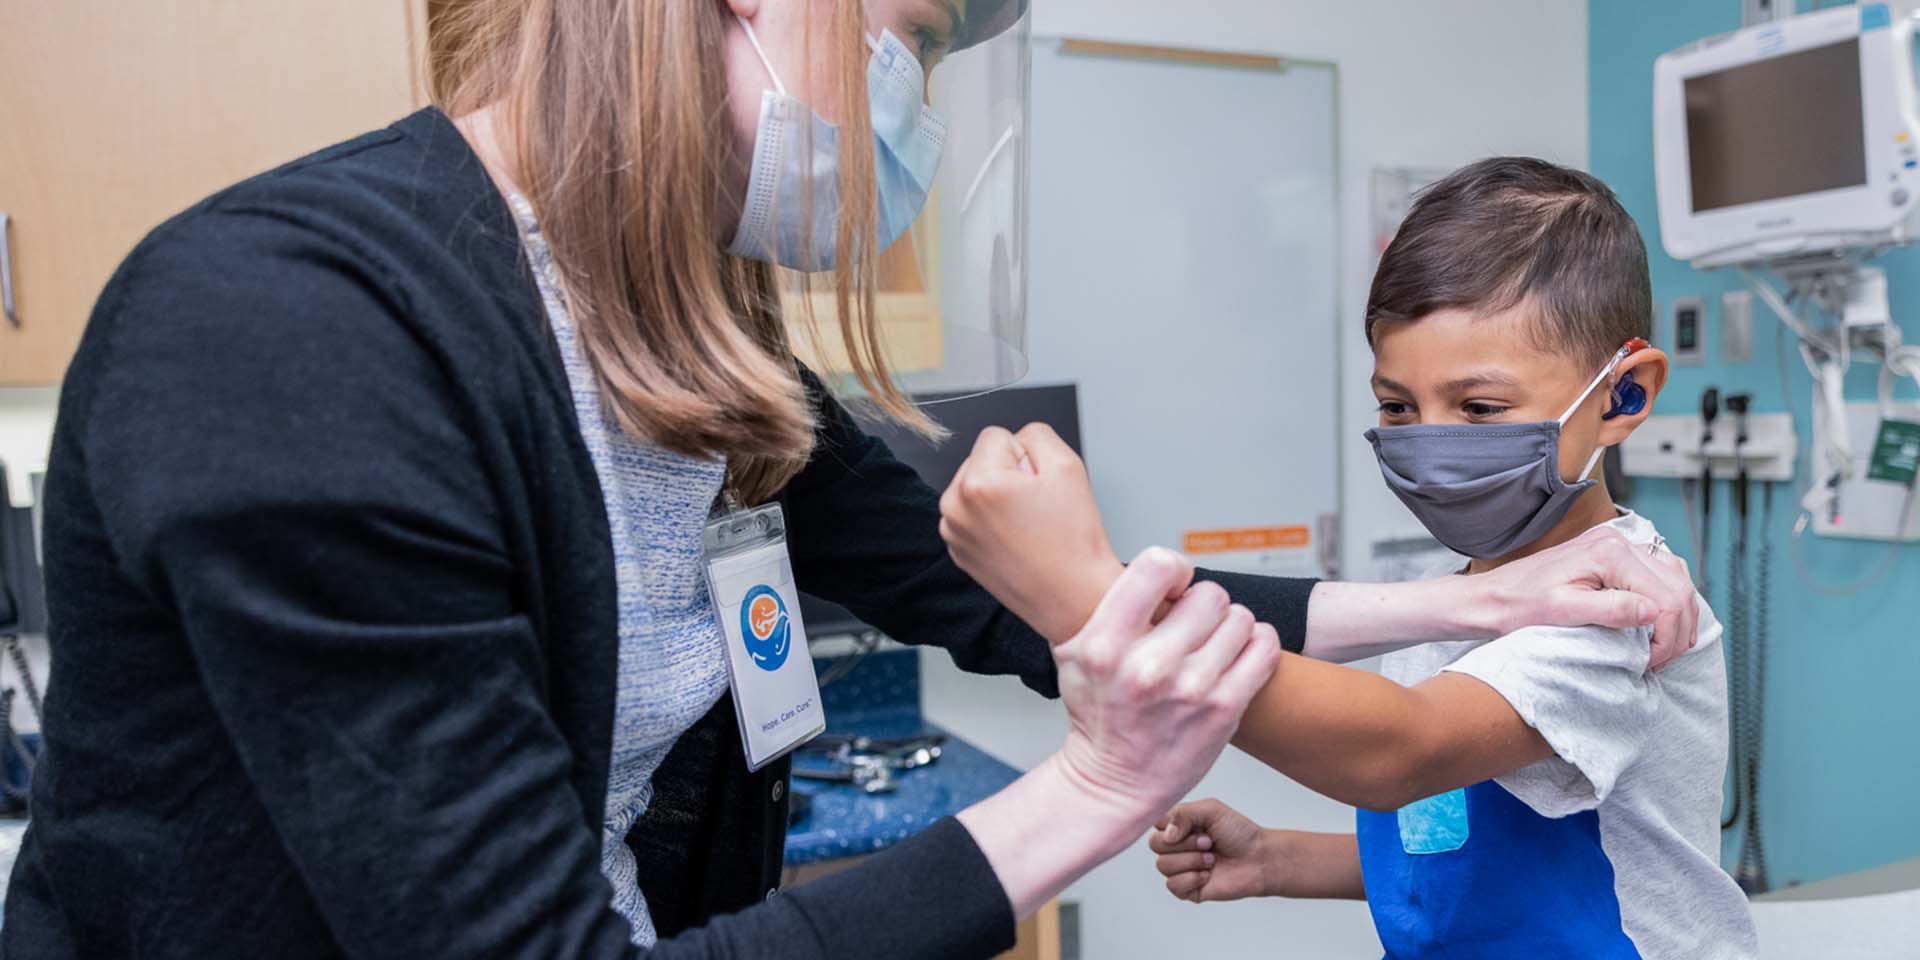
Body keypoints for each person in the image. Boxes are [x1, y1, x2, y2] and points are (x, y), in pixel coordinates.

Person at [3, 0, 1702, 953]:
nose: (908, 111)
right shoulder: (294, 330)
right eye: (900, 43)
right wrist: (1090, 791)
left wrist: (1468, 592)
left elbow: (979, 583)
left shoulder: (671, 339)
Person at [956, 158, 1759, 957]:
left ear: (1622, 396)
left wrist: (1098, 602)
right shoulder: (1446, 600)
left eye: (1480, 409)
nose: (1432, 444)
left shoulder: (1622, 610)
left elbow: (1401, 754)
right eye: (1397, 406)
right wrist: (1280, 859)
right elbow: (1456, 841)